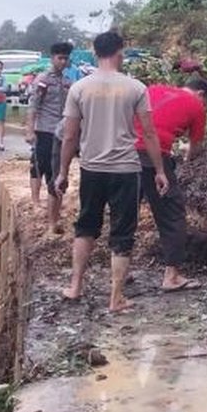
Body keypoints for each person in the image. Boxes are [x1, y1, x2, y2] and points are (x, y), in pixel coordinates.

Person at [56, 31, 167, 313]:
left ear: (95, 53)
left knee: (85, 225)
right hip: (125, 169)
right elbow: (149, 133)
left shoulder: (79, 88)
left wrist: (62, 172)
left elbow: (69, 136)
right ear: (121, 53)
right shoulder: (135, 87)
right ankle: (116, 298)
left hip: (91, 168)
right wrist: (159, 170)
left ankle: (75, 286)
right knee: (122, 232)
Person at [133, 75, 207, 291]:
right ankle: (172, 276)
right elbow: (196, 147)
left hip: (124, 152)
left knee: (126, 211)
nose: (204, 106)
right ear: (201, 94)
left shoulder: (154, 89)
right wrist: (187, 158)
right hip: (154, 156)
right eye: (205, 102)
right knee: (172, 213)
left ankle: (121, 270)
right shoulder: (196, 105)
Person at [25, 42, 75, 230]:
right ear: (52, 58)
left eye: (65, 58)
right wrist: (30, 130)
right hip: (44, 129)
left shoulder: (67, 81)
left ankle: (53, 213)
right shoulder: (43, 80)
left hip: (61, 132)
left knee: (58, 170)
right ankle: (36, 201)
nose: (63, 61)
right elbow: (33, 106)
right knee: (39, 165)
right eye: (60, 58)